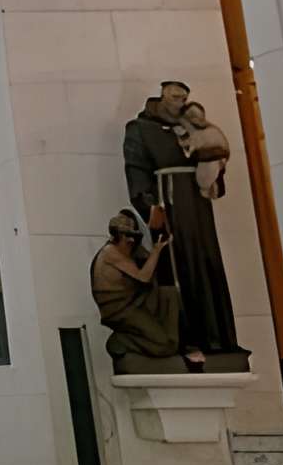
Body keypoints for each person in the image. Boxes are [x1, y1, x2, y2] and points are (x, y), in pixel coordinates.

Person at [123, 80, 237, 362]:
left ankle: (218, 338)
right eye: (173, 96)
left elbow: (210, 156)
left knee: (208, 263)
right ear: (161, 96)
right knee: (177, 267)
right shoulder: (141, 129)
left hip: (198, 204)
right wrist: (150, 208)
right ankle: (186, 339)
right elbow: (136, 171)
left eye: (183, 97)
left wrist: (216, 169)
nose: (178, 101)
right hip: (169, 202)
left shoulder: (192, 125)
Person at [90, 208, 184, 367]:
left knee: (169, 294)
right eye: (128, 236)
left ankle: (174, 342)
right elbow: (143, 277)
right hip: (120, 309)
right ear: (119, 236)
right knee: (162, 344)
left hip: (133, 300)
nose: (132, 241)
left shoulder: (124, 249)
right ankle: (120, 341)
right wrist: (157, 250)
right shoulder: (110, 252)